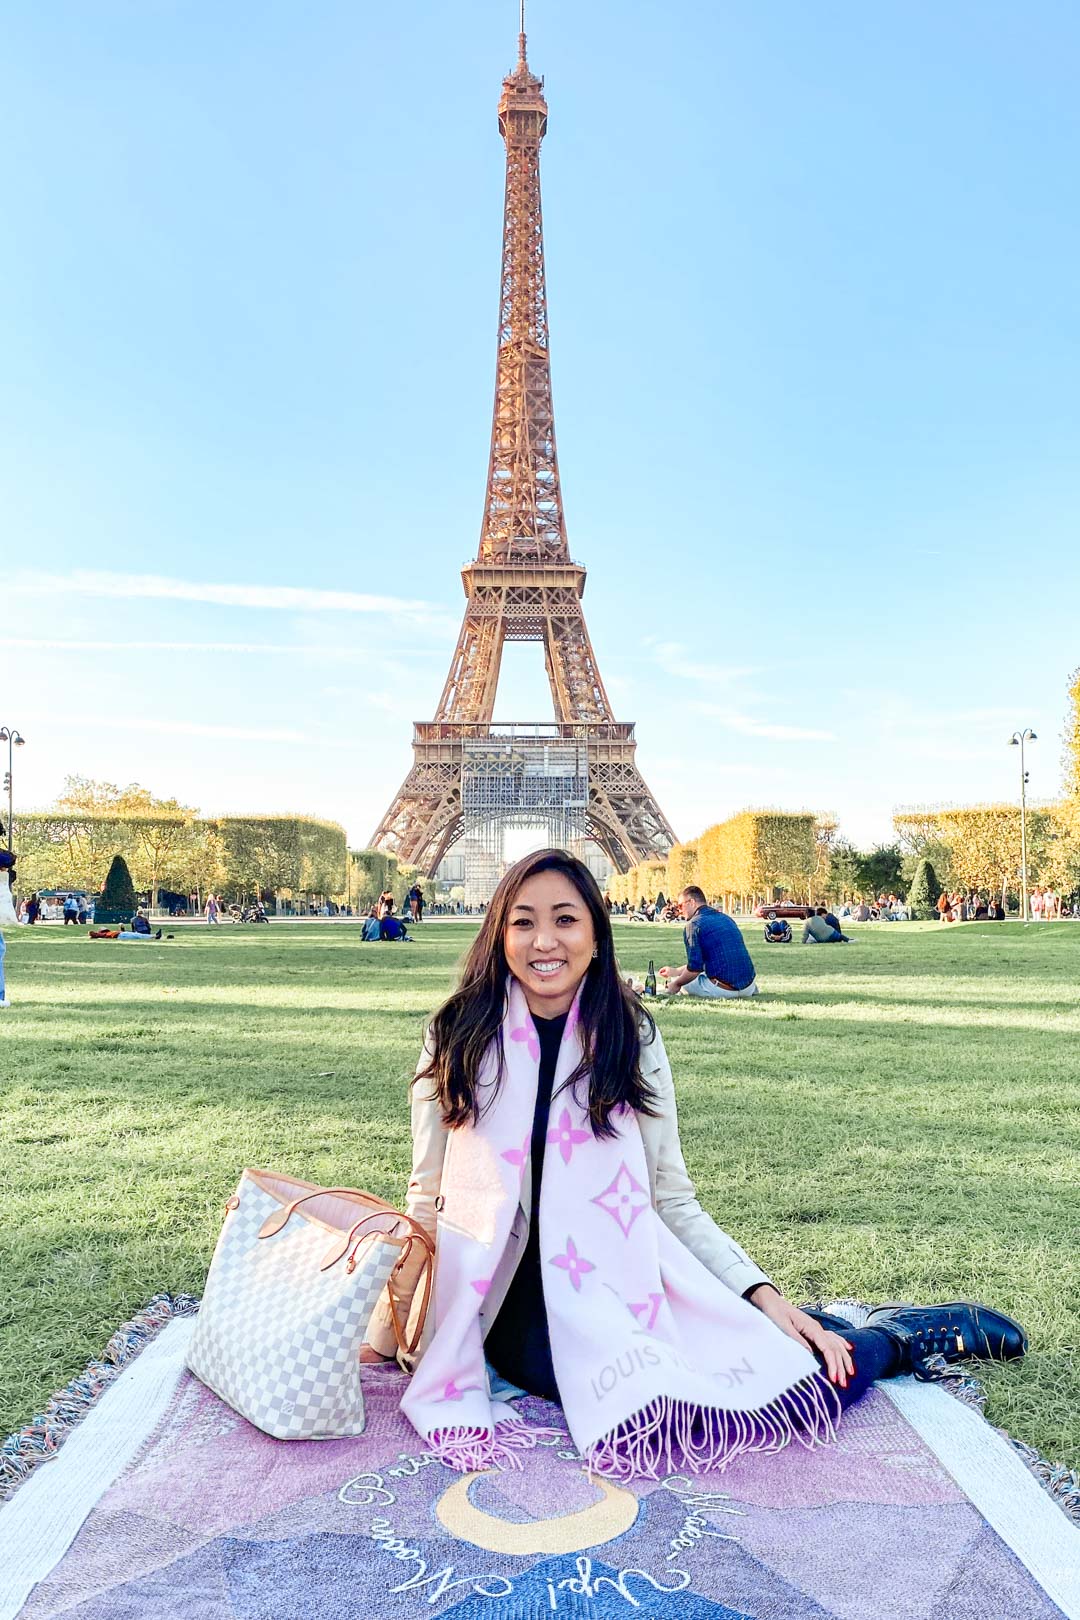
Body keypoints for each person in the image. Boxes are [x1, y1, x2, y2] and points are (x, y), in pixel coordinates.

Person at [360, 848, 1027, 1479]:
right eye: (523, 922)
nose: (544, 943)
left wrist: (766, 1296)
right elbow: (428, 1195)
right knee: (651, 1399)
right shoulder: (457, 1035)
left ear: (596, 934)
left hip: (621, 1285)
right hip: (507, 1305)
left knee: (779, 1377)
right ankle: (830, 1331)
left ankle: (894, 1339)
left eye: (566, 920)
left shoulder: (629, 1036)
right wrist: (384, 1335)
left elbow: (671, 1201)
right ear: (497, 934)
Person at [659, 885, 759, 999]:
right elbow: (703, 962)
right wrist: (676, 971)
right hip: (748, 988)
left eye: (680, 906)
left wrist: (676, 983)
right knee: (688, 975)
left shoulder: (693, 925)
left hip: (722, 989)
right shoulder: (726, 918)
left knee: (679, 982)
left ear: (691, 902)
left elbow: (694, 969)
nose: (680, 911)